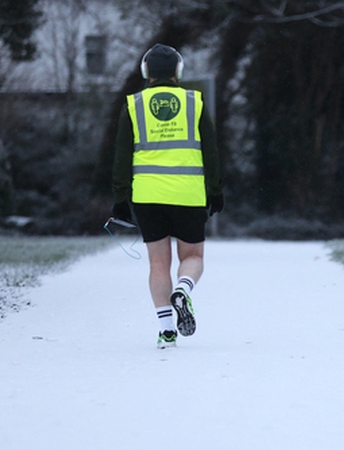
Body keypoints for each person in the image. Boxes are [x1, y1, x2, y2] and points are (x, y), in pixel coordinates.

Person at [111, 43, 224, 349]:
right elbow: (210, 151)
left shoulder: (133, 104)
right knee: (193, 257)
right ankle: (183, 291)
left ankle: (166, 332)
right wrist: (215, 190)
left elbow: (121, 155)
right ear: (178, 71)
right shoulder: (194, 102)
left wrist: (121, 197)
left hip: (147, 195)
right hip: (188, 193)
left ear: (145, 72)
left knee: (158, 264)